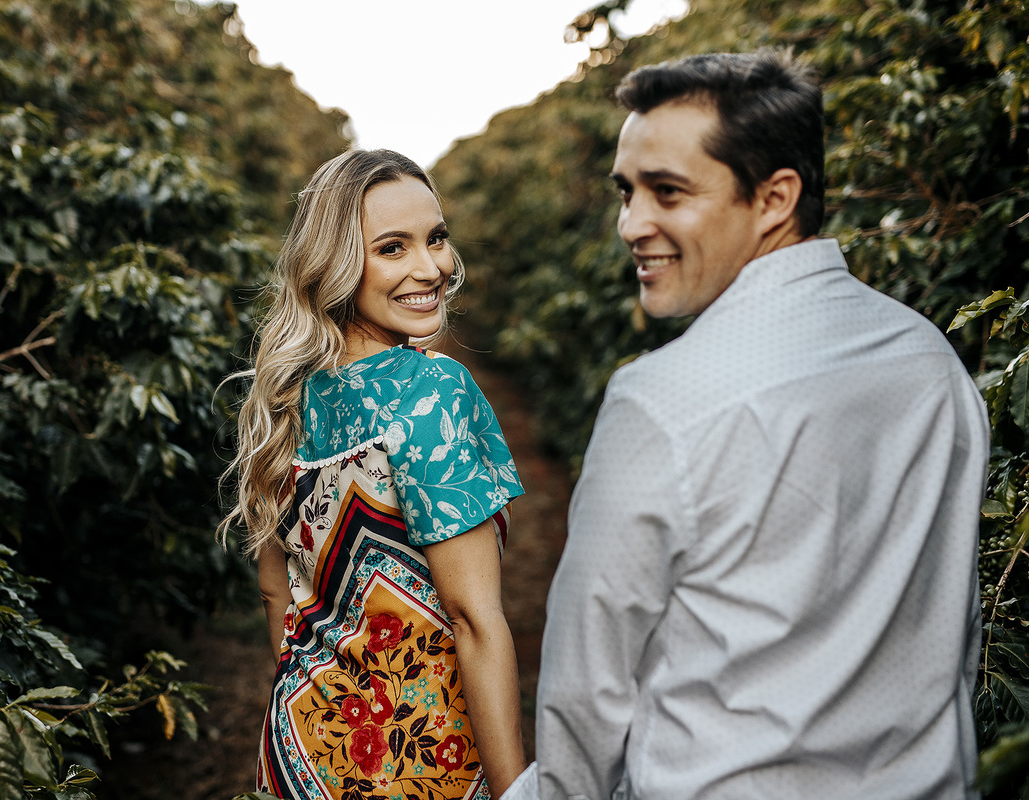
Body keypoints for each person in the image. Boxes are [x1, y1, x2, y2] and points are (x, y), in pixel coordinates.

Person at [512, 49, 989, 800]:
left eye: (667, 192)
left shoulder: (658, 400)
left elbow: (586, 701)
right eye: (626, 192)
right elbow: (952, 635)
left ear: (774, 200)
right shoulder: (932, 362)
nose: (632, 224)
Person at [221, 148, 527, 800]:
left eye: (436, 238)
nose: (432, 267)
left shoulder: (283, 398)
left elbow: (279, 599)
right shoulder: (432, 392)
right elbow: (474, 621)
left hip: (299, 751)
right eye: (393, 248)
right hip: (419, 763)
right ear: (336, 266)